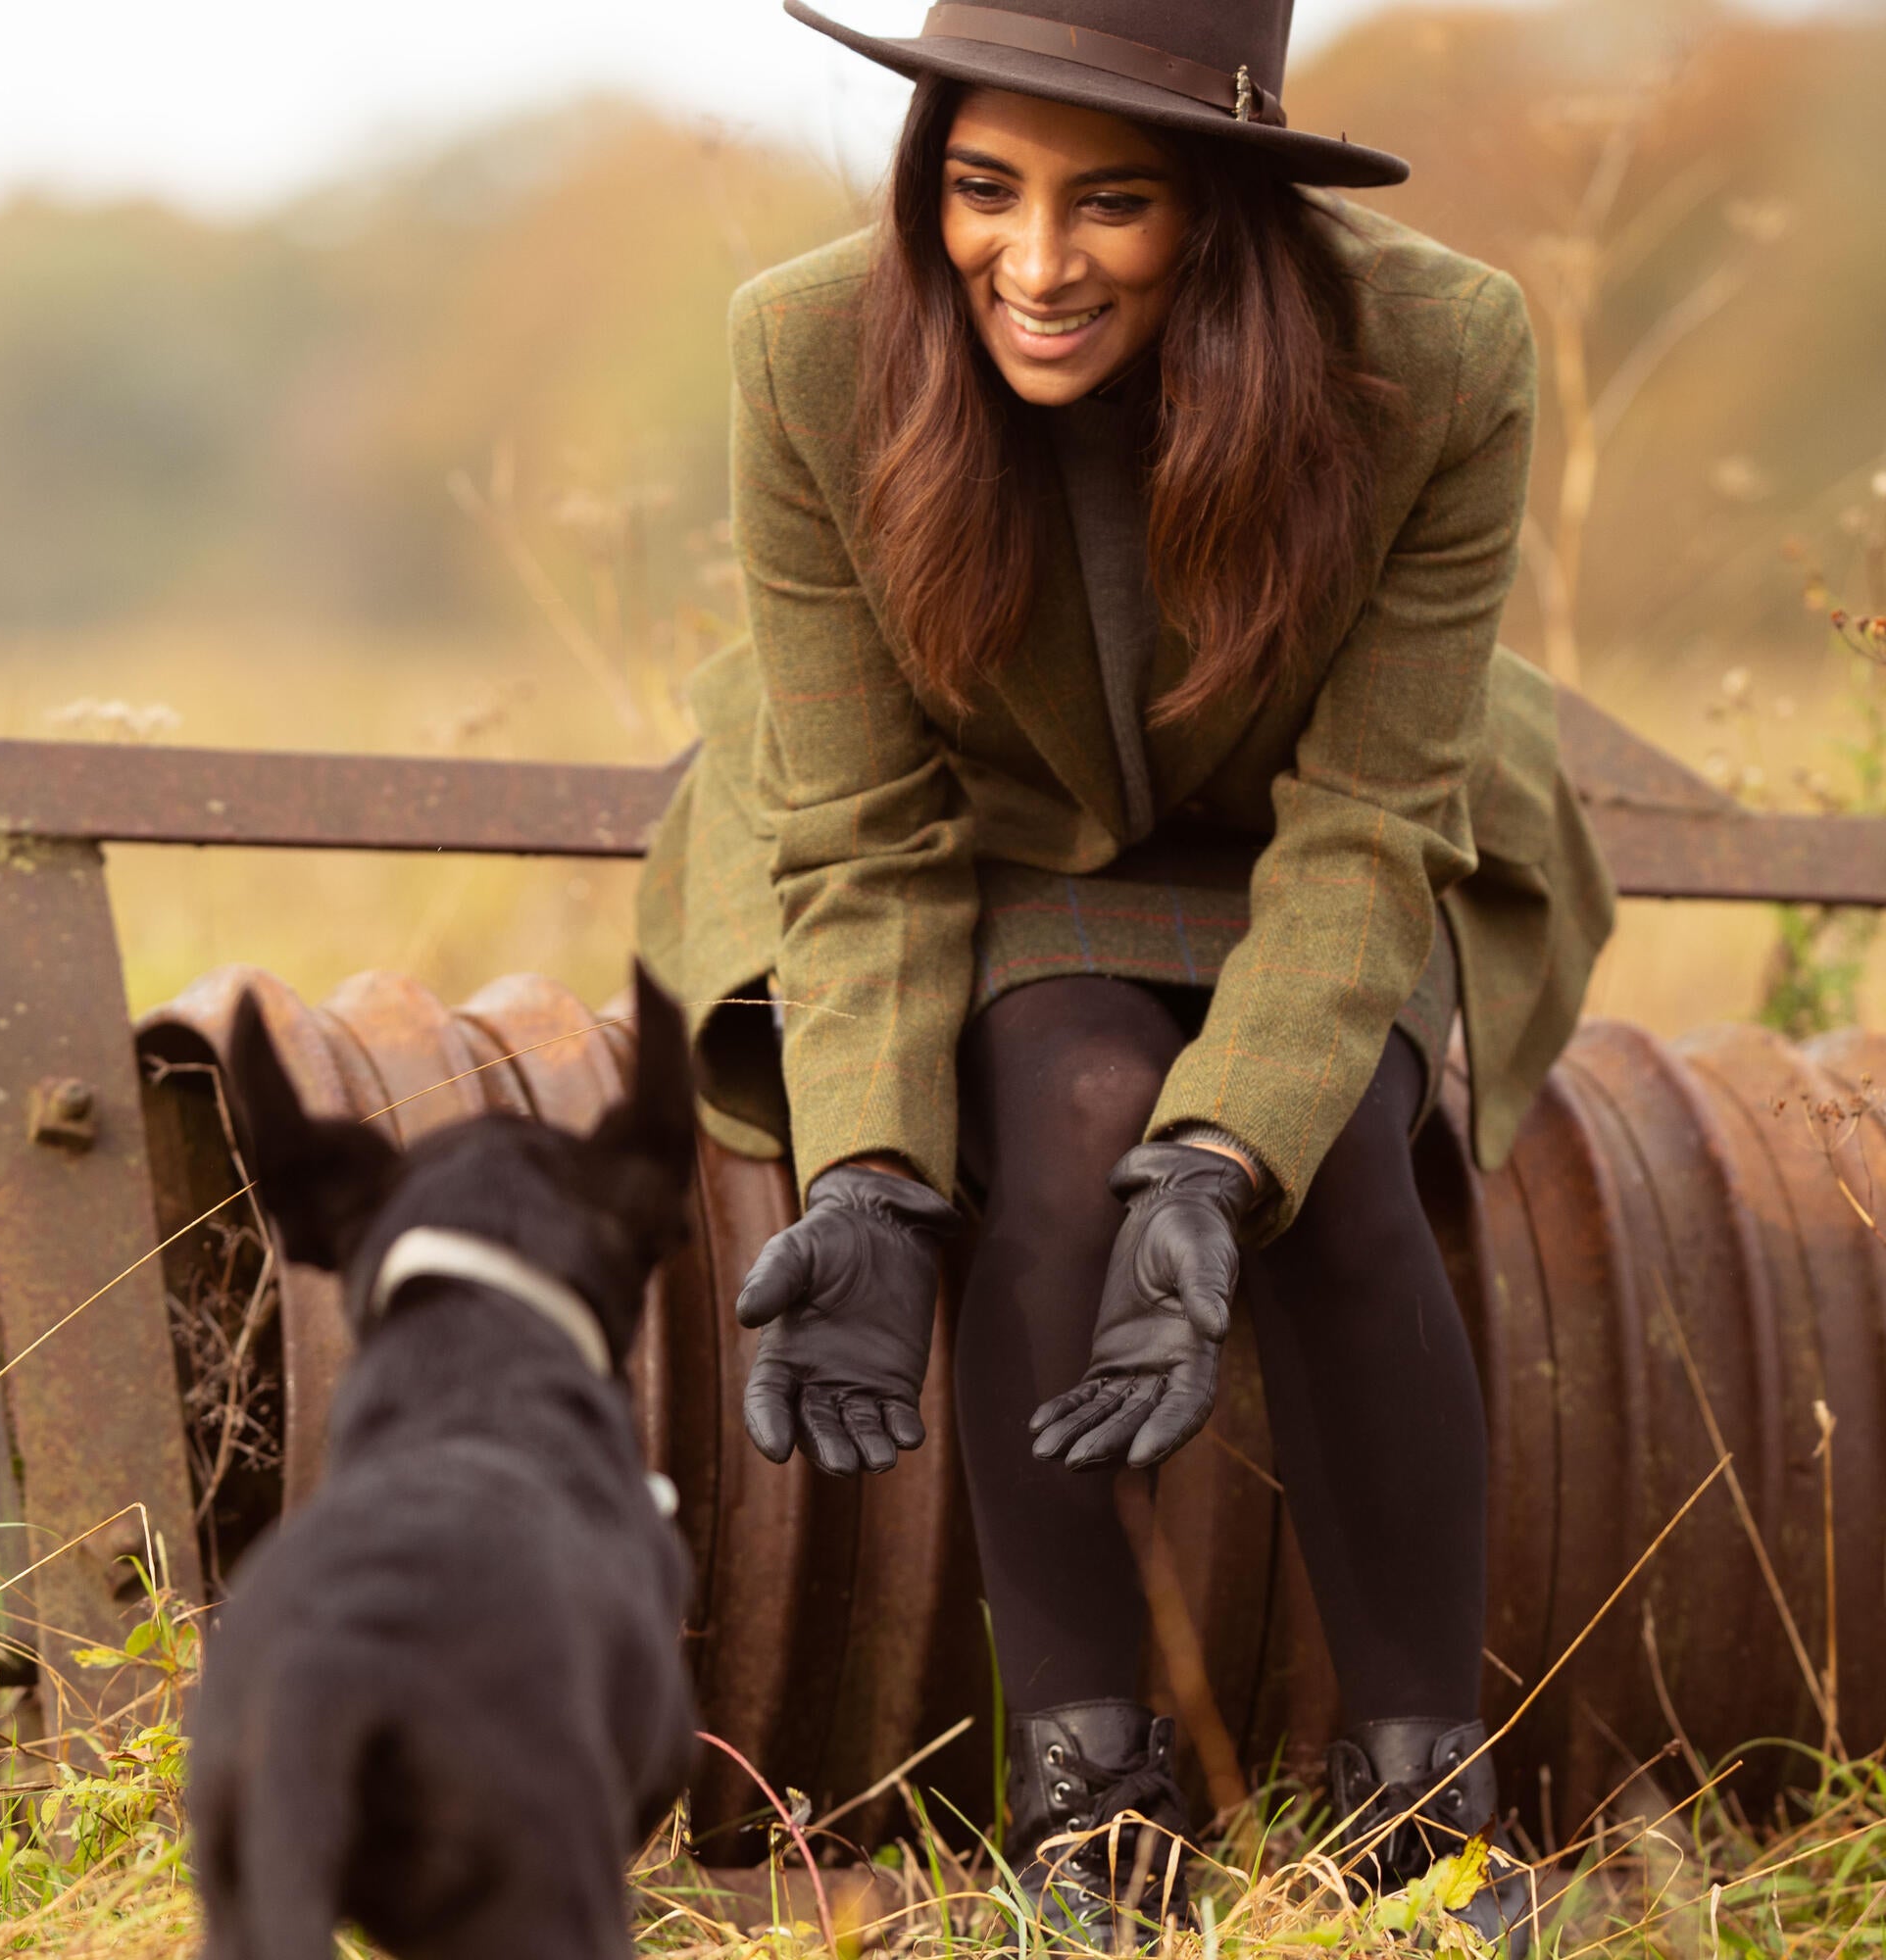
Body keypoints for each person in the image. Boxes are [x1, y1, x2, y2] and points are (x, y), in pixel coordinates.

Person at [638, 0, 1614, 1946]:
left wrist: (1219, 1158)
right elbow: (859, 831)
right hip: (974, 834)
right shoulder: (808, 348)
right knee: (1073, 1110)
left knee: (1330, 1160)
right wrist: (869, 1174)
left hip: (1313, 828)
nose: (1035, 260)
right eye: (982, 190)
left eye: (1116, 203)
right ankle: (1095, 1826)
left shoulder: (1437, 352)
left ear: (1229, 201)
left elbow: (1367, 821)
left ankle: (1424, 1823)